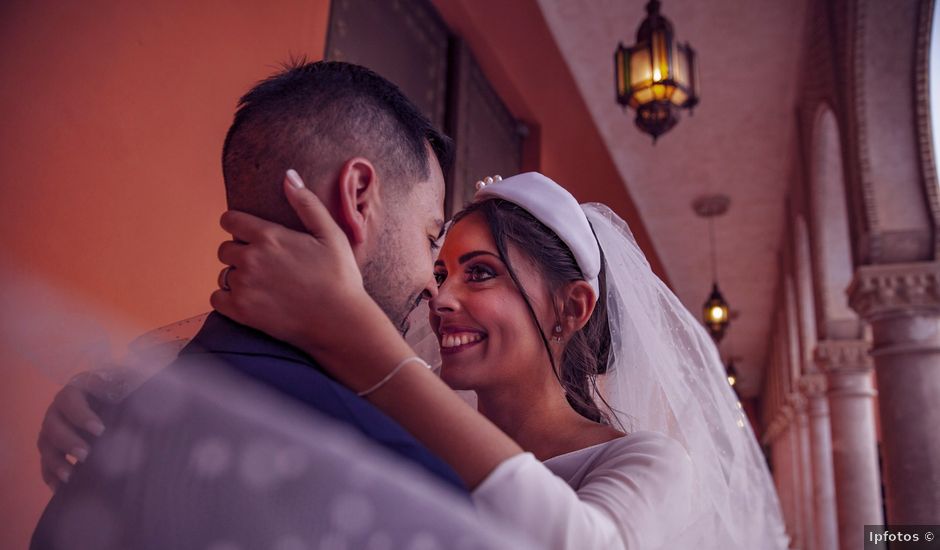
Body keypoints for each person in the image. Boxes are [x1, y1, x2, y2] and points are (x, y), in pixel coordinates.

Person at [30, 60, 541, 550]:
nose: (435, 290)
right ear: (358, 198)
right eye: (432, 237)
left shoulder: (108, 430)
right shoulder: (403, 480)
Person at [206, 170, 790, 549]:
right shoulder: (400, 419)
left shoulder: (646, 462)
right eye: (439, 273)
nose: (442, 298)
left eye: (481, 273)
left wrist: (354, 331)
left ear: (572, 306)